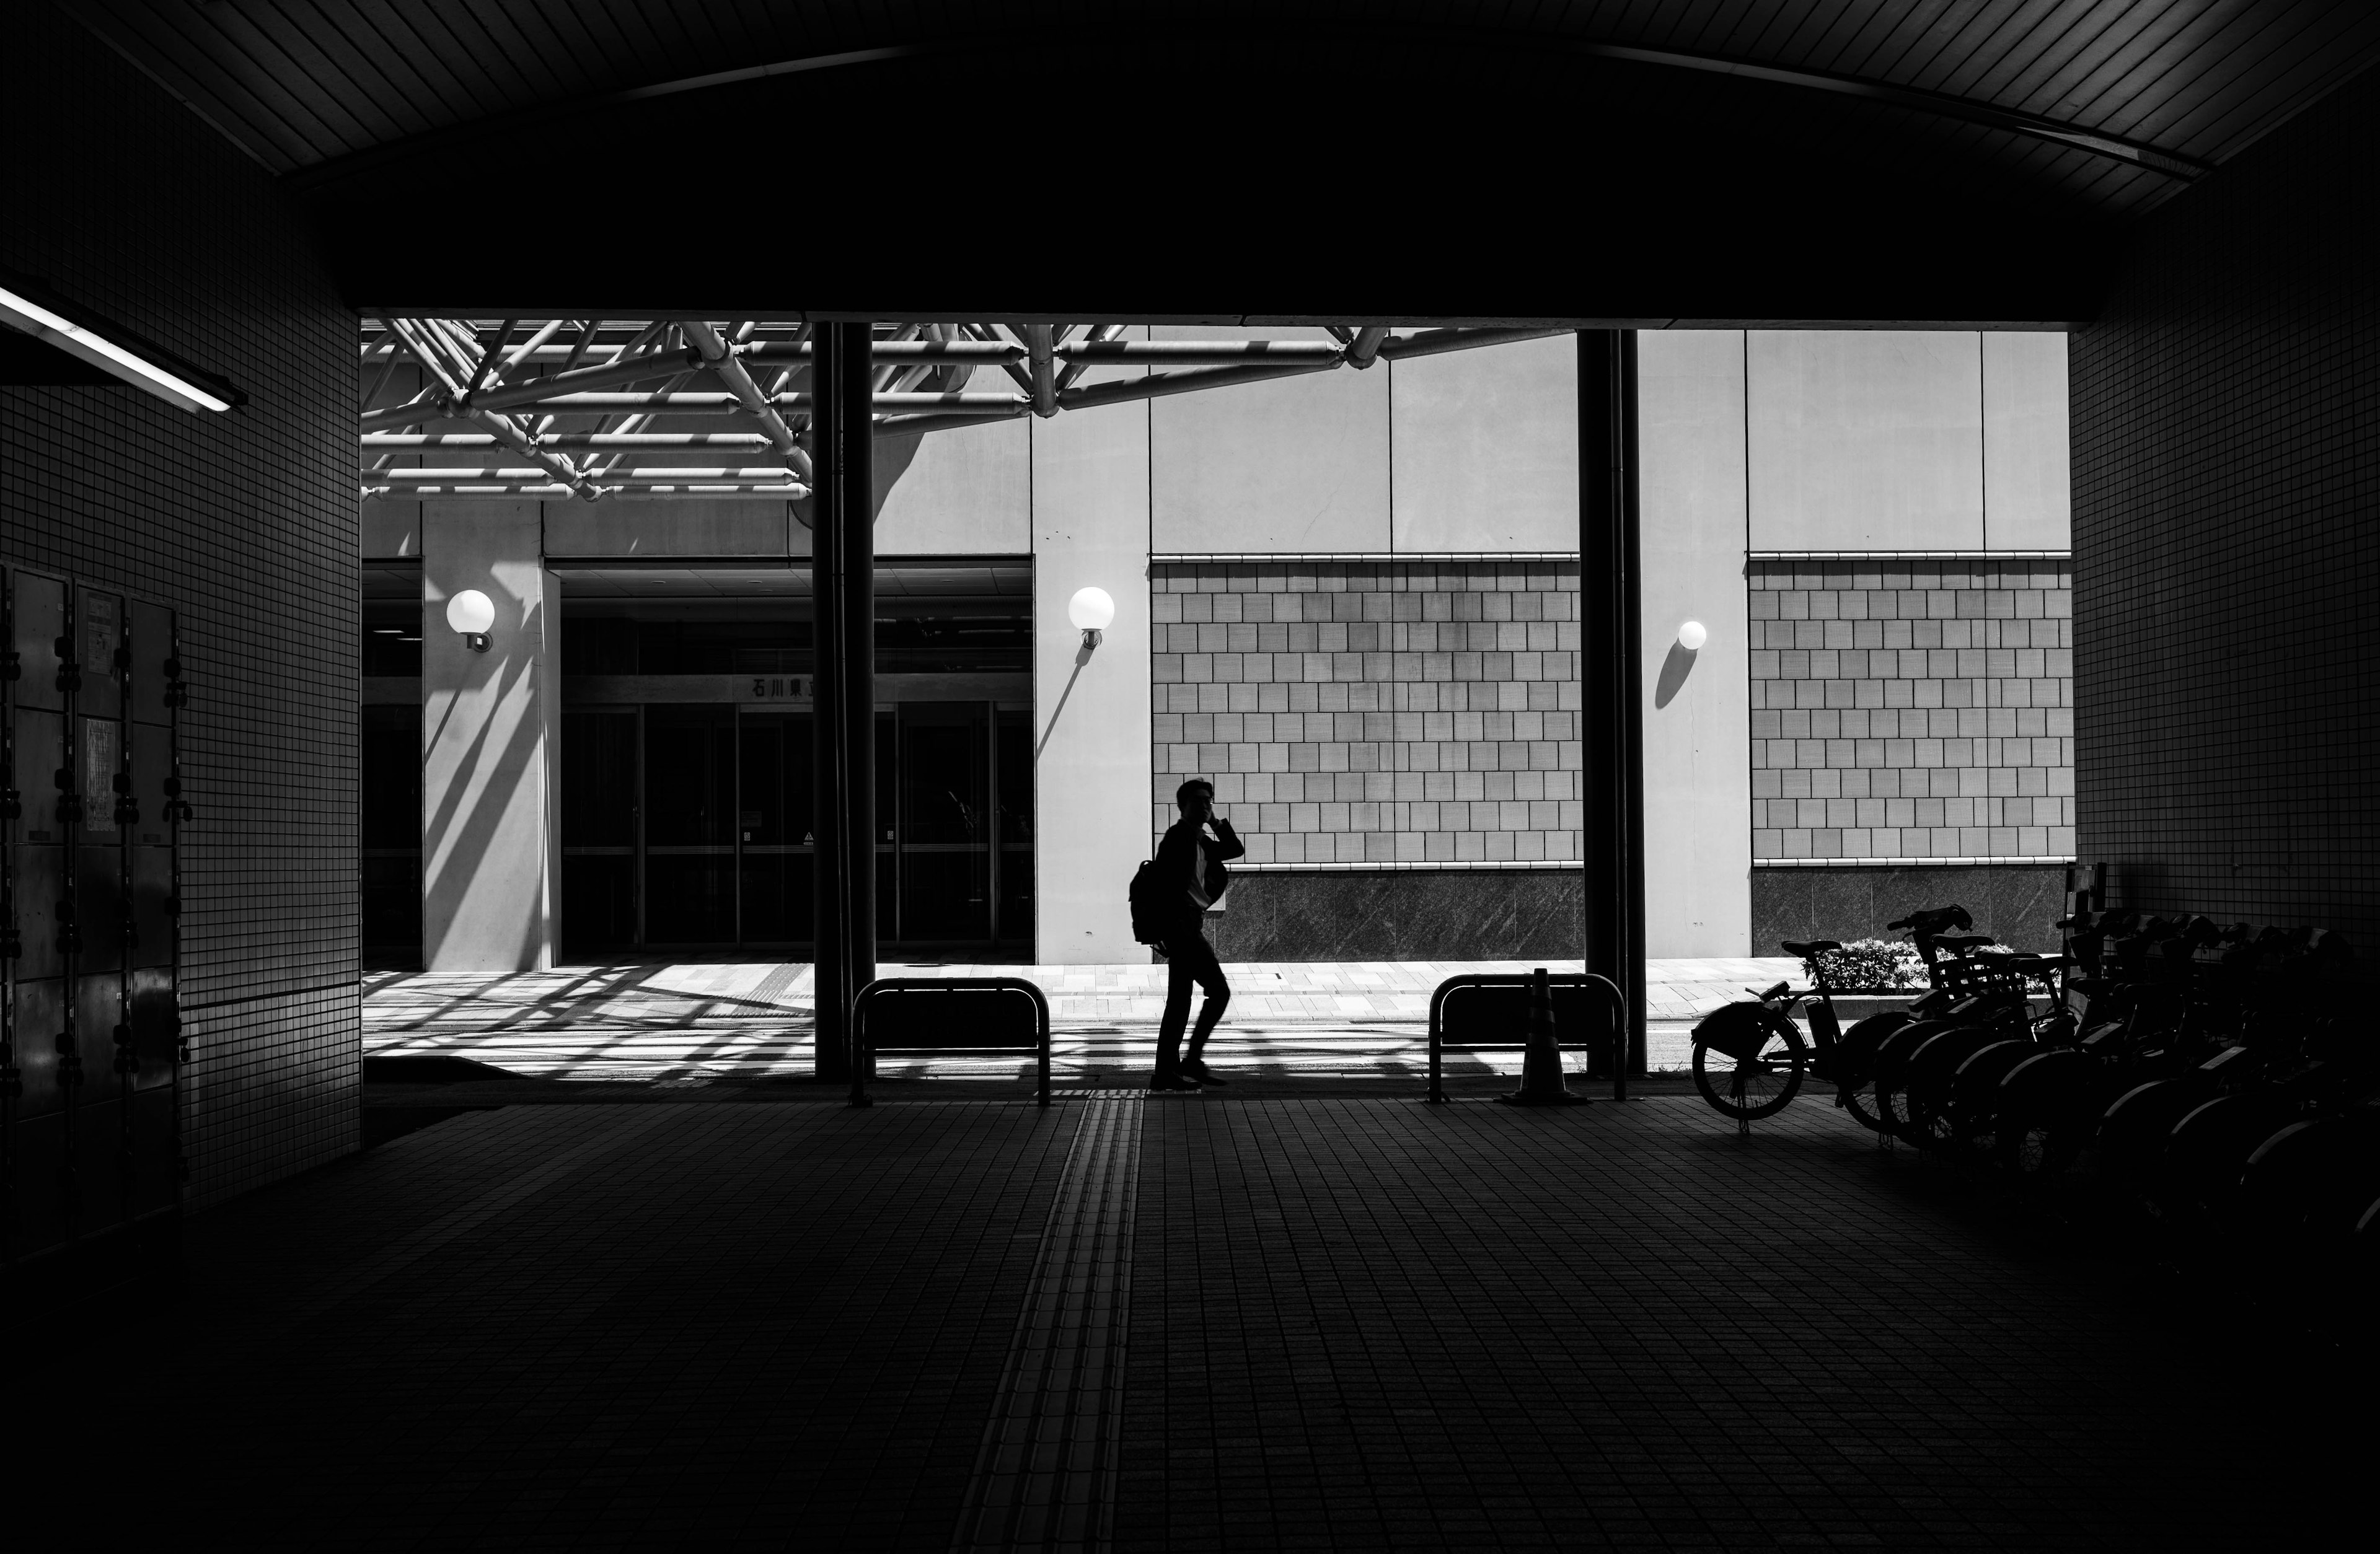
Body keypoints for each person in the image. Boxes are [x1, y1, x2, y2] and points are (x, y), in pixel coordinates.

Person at [1148, 778, 1243, 1091]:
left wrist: (1214, 820)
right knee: (1219, 991)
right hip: (1182, 928)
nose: (1205, 805)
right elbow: (1161, 887)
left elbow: (1234, 849)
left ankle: (1166, 1071)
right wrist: (1166, 931)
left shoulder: (1201, 840)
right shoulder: (1177, 838)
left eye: (1209, 801)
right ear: (1182, 806)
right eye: (1199, 801)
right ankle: (1191, 1060)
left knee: (1179, 1002)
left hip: (1187, 926)